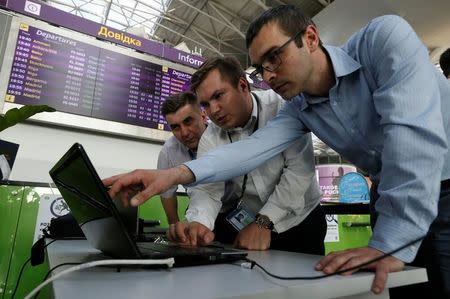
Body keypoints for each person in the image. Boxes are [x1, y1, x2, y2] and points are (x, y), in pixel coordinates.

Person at [104, 5, 450, 298]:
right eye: (261, 67)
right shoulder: (299, 108)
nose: (269, 75)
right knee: (403, 286)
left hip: (437, 184)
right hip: (390, 193)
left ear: (310, 38)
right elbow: (253, 149)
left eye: (275, 57)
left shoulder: (384, 40)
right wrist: (174, 174)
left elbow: (413, 143)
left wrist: (390, 241)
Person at [168, 56, 326, 254]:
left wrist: (264, 221)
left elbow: (299, 172)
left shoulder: (281, 107)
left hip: (300, 222)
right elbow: (208, 190)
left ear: (243, 85)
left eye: (219, 96)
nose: (214, 111)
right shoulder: (211, 137)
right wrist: (199, 223)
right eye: (206, 104)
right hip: (251, 227)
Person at [156, 92, 207, 233]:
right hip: (197, 212)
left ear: (203, 116)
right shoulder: (169, 150)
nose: (184, 133)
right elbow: (167, 192)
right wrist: (175, 225)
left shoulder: (225, 136)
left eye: (188, 121)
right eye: (175, 127)